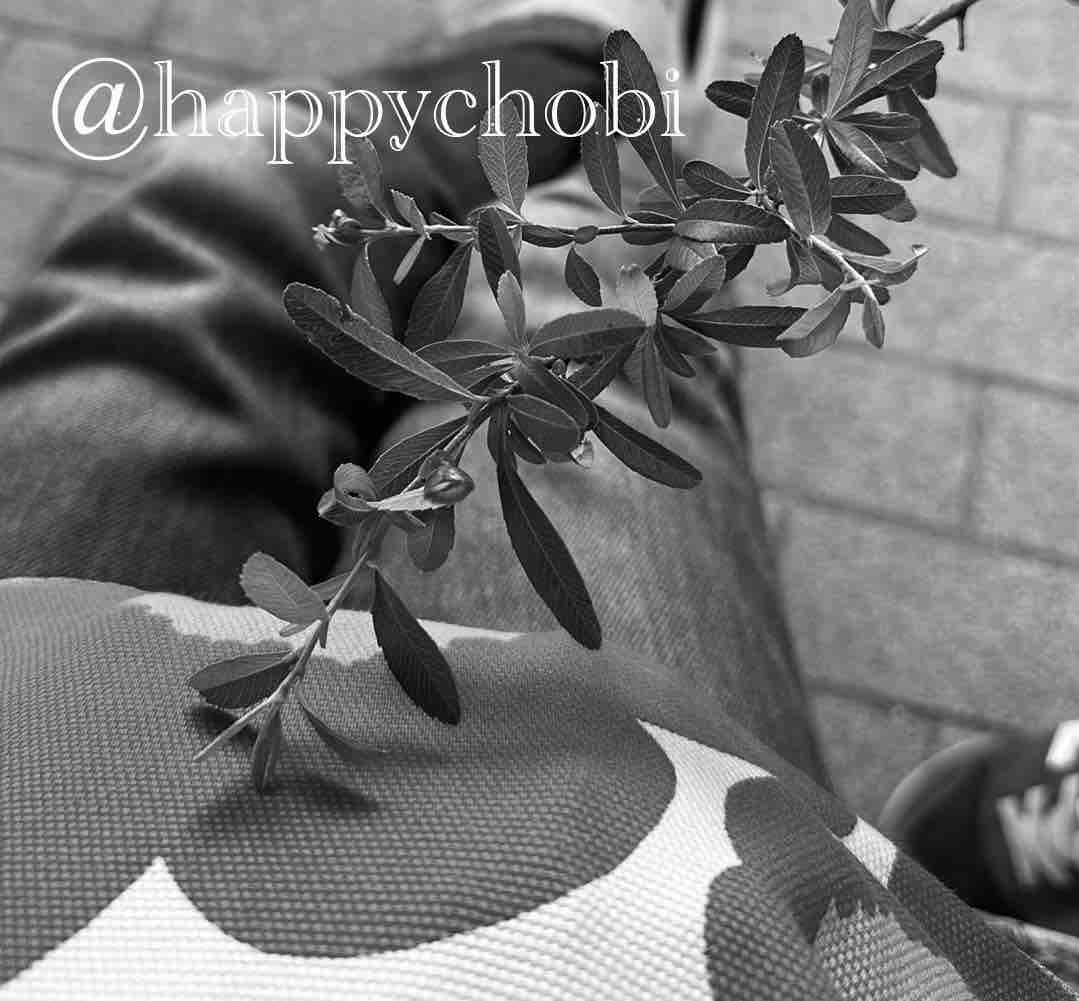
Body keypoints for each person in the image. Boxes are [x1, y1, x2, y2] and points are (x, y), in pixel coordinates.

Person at [0, 2, 1075, 997]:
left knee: (227, 186)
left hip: (35, 715)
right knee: (608, 308)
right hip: (646, 905)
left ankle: (574, 55)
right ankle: (613, 93)